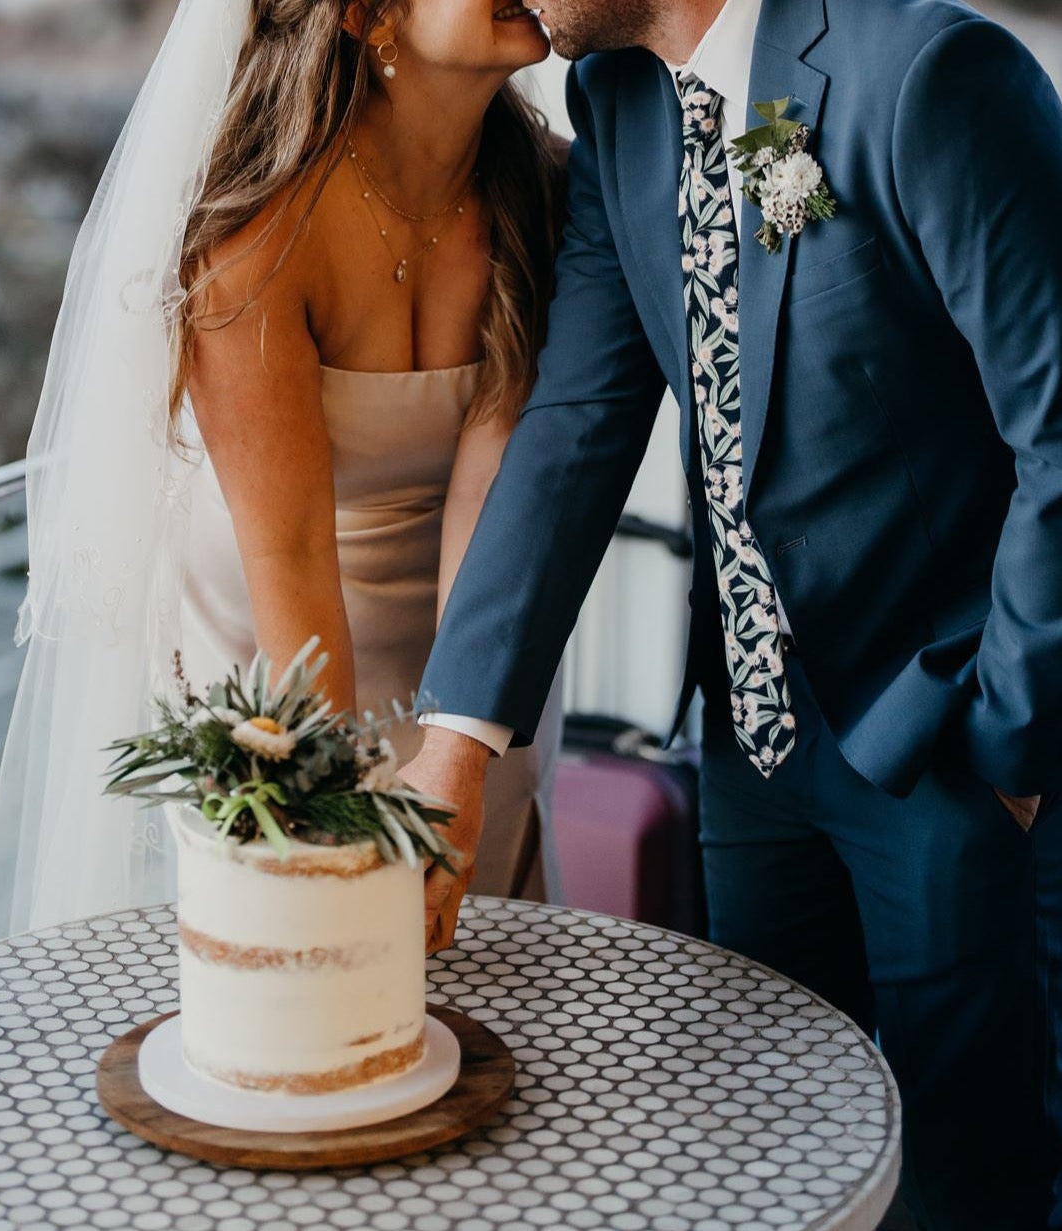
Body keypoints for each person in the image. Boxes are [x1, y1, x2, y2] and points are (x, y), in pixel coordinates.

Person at [401, 0, 1062, 1226]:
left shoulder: (930, 75)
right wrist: (456, 740)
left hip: (950, 750)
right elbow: (580, 421)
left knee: (966, 1183)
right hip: (755, 744)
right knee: (761, 1160)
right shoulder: (622, 102)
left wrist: (1007, 753)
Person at [0, 0, 567, 946]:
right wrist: (333, 813)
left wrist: (463, 749)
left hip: (467, 650)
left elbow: (494, 497)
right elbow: (290, 554)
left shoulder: (543, 195)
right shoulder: (255, 235)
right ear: (372, 15)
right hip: (277, 657)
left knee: (488, 973)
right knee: (312, 968)